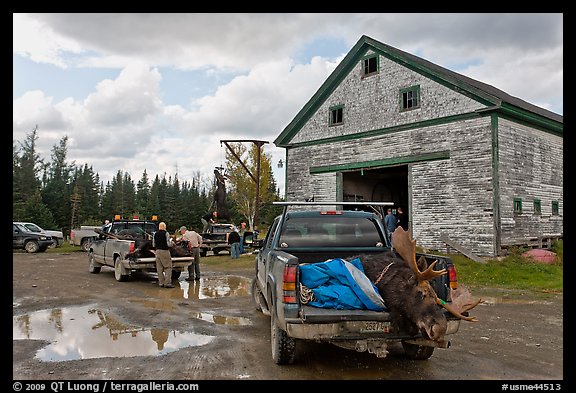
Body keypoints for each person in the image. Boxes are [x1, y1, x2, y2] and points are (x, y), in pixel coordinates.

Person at [154, 222, 174, 288]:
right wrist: (172, 244)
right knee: (168, 267)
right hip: (165, 251)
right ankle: (167, 283)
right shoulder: (166, 233)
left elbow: (153, 244)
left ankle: (161, 283)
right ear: (165, 227)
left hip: (157, 252)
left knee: (159, 268)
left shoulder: (155, 234)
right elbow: (168, 244)